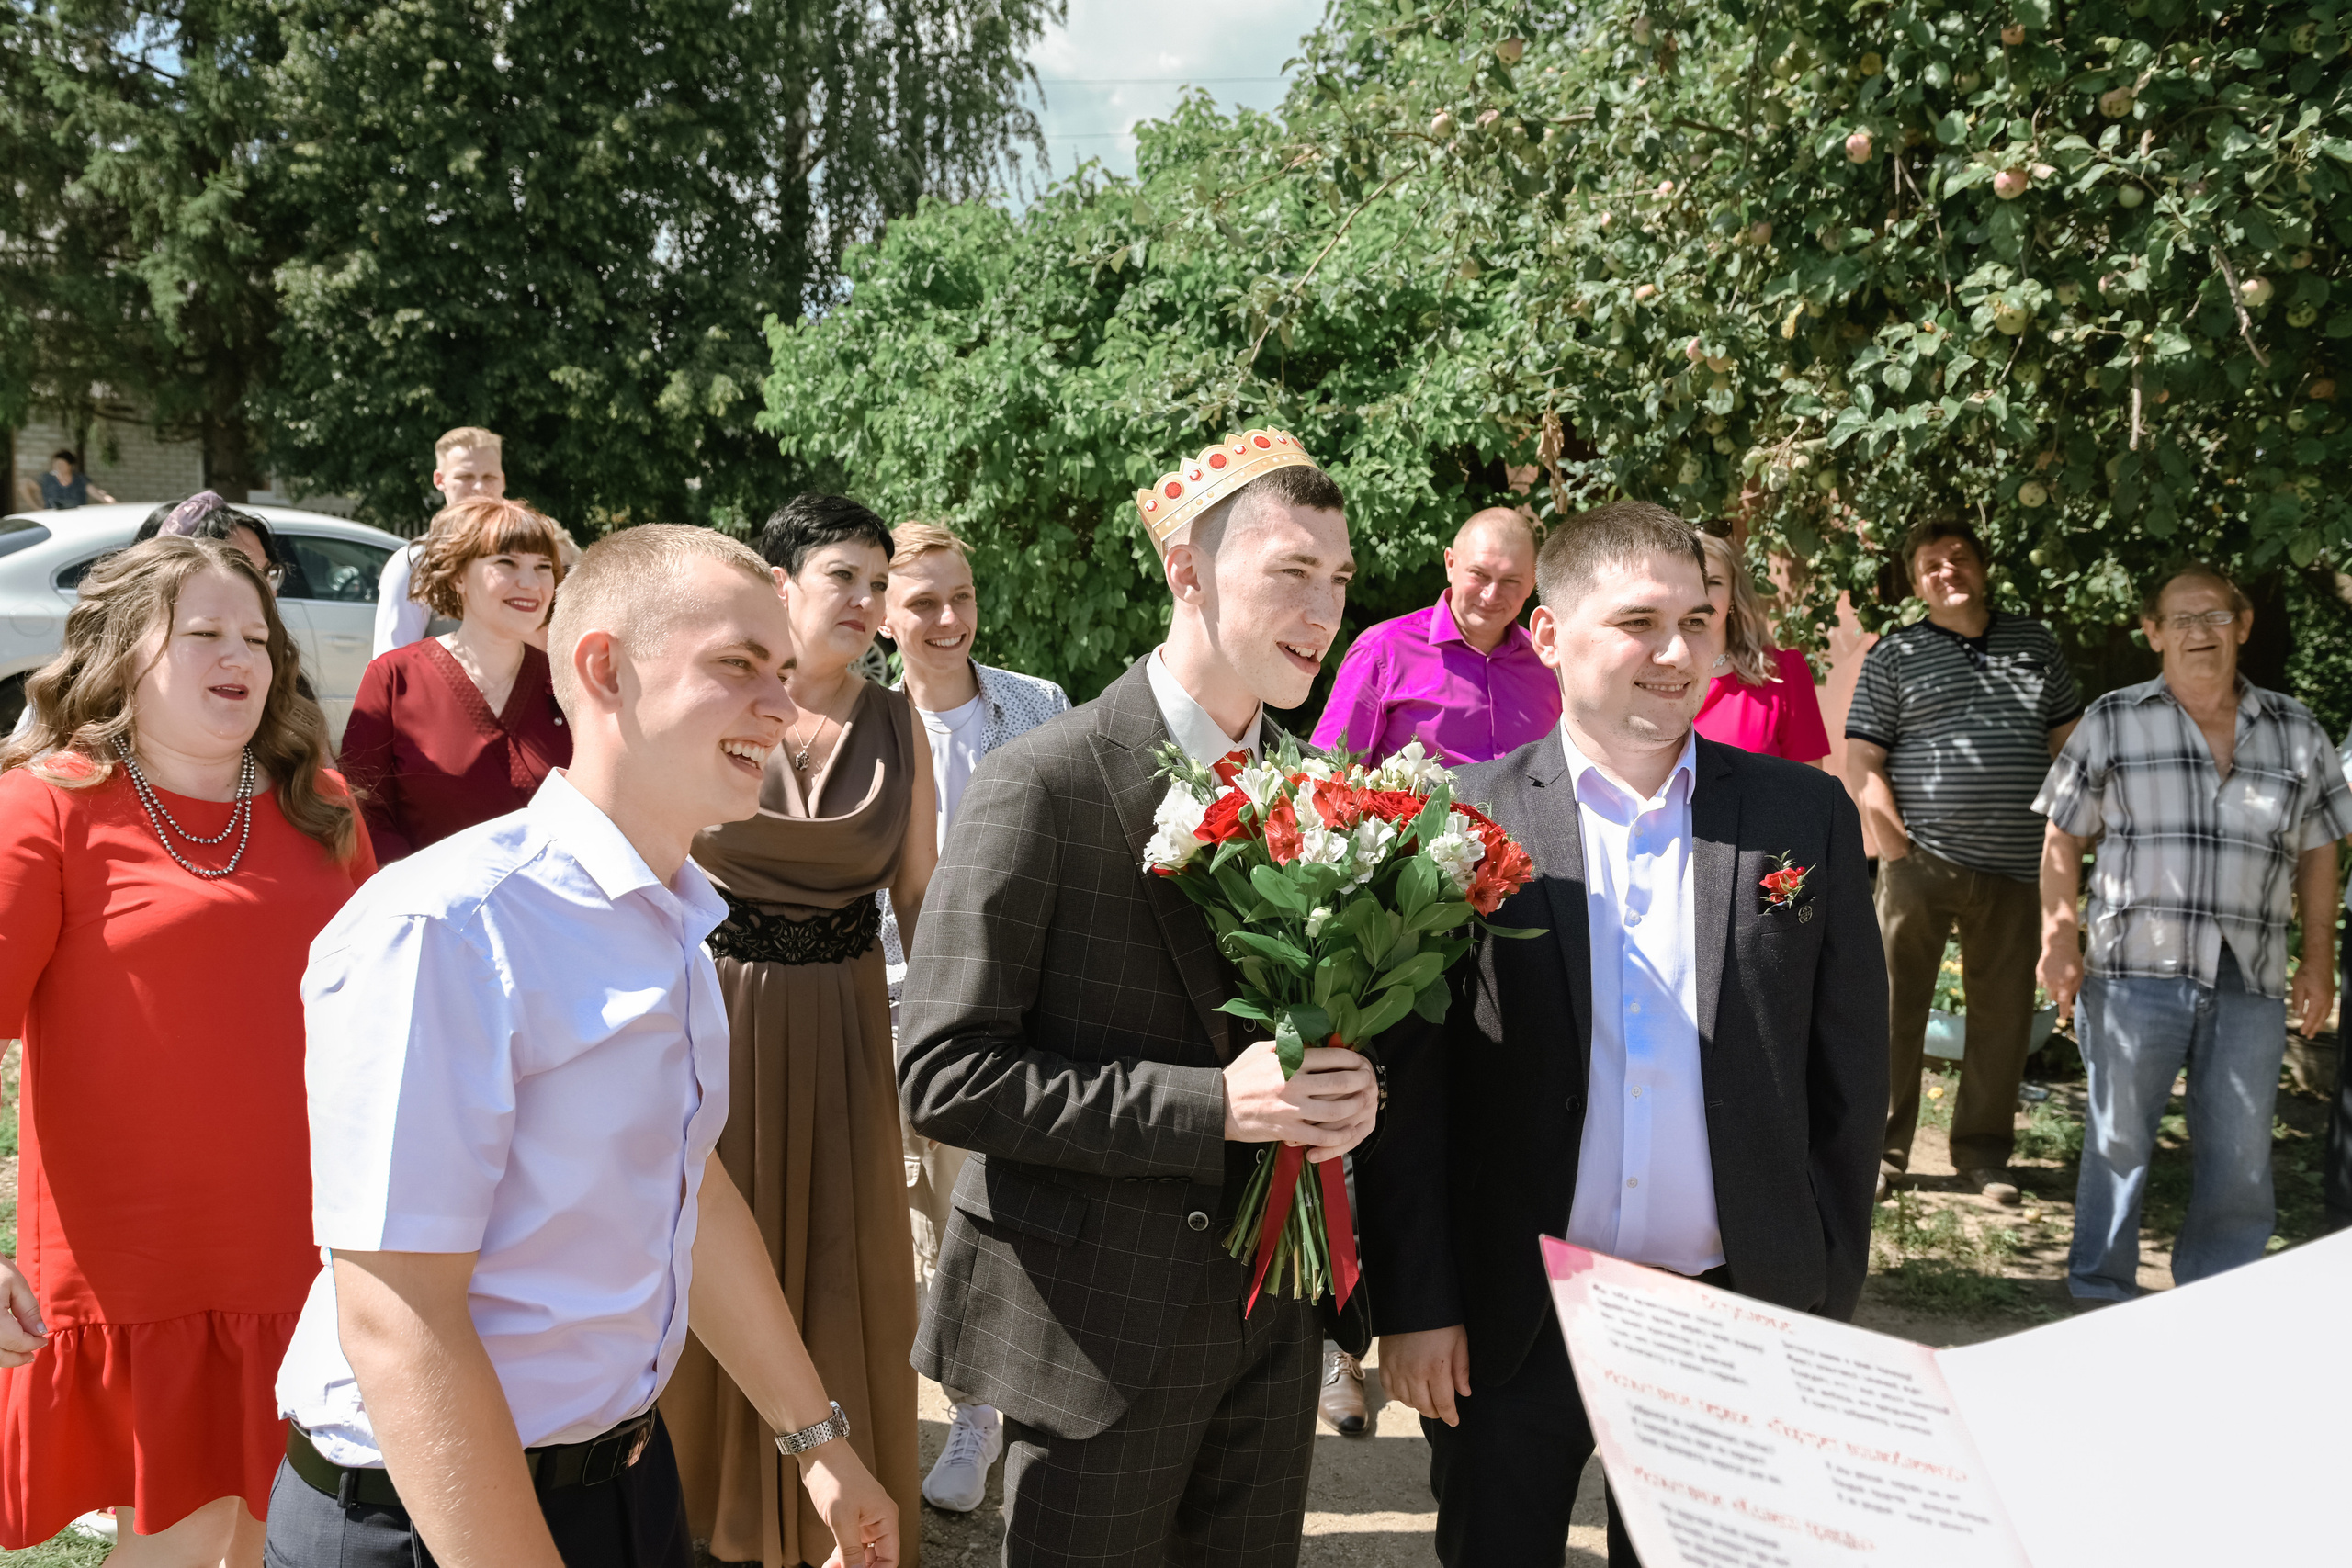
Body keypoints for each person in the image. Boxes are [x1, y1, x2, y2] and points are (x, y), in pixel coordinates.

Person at [266, 525, 901, 1568]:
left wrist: (818, 1443)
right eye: (738, 666)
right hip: (428, 1518)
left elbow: (685, 1192)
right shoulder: (448, 927)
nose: (781, 708)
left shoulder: (674, 920)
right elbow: (399, 1319)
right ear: (604, 669)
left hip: (625, 1487)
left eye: (783, 673)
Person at [1356, 500, 1886, 1568]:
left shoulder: (1801, 818)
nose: (1676, 652)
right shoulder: (1453, 822)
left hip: (1726, 1315)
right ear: (1549, 637)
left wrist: (1821, 1288)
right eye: (1638, 623)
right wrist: (1415, 1304)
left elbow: (1849, 1076)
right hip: (1512, 1323)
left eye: (1695, 622)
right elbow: (1412, 1098)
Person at [900, 429, 1381, 1566]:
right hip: (1092, 1333)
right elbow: (945, 1074)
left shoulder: (1321, 793)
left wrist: (1355, 1089)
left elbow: (1311, 1033)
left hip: (1271, 1328)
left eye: (1341, 582)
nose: (1325, 614)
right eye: (1292, 575)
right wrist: (1208, 1106)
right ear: (1187, 573)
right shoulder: (1044, 781)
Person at [0, 536, 376, 1558]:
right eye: (205, 632)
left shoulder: (326, 810)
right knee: (170, 1542)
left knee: (287, 1538)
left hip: (305, 1249)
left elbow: (388, 1031)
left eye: (257, 636)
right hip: (139, 1268)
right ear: (126, 653)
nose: (242, 656)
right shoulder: (49, 803)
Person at [661, 494, 935, 1568]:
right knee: (715, 1249)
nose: (868, 603)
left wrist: (955, 1039)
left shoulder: (898, 720)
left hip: (848, 1026)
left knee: (838, 1259)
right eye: (844, 578)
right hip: (716, 1014)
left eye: (880, 584)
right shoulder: (717, 699)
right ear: (781, 585)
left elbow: (918, 893)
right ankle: (703, 1505)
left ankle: (841, 1517)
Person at [2035, 564, 2352, 1303]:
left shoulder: (2297, 729)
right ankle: (2097, 1294)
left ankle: (2215, 1302)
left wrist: (2319, 955)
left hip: (2252, 975)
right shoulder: (2112, 717)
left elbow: (2319, 851)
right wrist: (2060, 936)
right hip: (2131, 970)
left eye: (2214, 616)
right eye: (2181, 619)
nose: (2198, 632)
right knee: (2116, 1143)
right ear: (2152, 633)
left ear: (2243, 625)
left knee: (2241, 1158)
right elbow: (2061, 838)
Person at [869, 522, 1069, 1515]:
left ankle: (989, 1415)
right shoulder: (858, 718)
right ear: (882, 615)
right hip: (887, 999)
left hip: (1008, 1001)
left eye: (962, 596)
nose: (948, 619)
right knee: (916, 1222)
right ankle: (959, 1407)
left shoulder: (1037, 706)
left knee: (989, 1213)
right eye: (922, 603)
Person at [1845, 518, 2083, 1206]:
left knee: (2003, 1017)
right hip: (1920, 865)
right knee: (1891, 1010)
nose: (1946, 571)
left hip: (2019, 867)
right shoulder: (1896, 654)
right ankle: (1881, 1153)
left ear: (1983, 567)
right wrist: (1895, 847)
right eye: (1930, 563)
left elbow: (2072, 749)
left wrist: (2073, 834)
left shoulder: (2035, 644)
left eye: (1958, 558)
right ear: (1915, 580)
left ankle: (1984, 1156)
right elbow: (1864, 760)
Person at [339, 496, 571, 861]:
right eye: (506, 563)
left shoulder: (569, 683)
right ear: (459, 576)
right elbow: (363, 809)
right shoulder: (394, 678)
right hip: (428, 905)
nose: (530, 583)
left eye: (543, 566)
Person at [1311, 506, 1558, 765]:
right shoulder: (1383, 651)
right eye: (1479, 575)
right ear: (1450, 564)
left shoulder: (1550, 664)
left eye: (1510, 581)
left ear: (1533, 582)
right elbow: (1329, 773)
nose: (1491, 595)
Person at [1692, 532, 1830, 765]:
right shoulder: (1650, 679)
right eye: (1691, 582)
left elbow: (1809, 792)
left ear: (1733, 595)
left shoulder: (1782, 673)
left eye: (1714, 583)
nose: (1701, 596)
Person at [372, 427, 507, 658]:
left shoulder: (528, 557)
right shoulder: (414, 563)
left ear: (502, 481)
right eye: (465, 477)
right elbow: (393, 665)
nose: (479, 487)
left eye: (489, 477)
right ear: (440, 480)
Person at [37, 449, 114, 509]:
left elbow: (95, 493)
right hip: (52, 521)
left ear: (70, 465)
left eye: (61, 464)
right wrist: (36, 507)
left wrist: (110, 501)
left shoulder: (80, 480)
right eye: (56, 464)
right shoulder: (47, 479)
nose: (58, 467)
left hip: (76, 520)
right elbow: (25, 484)